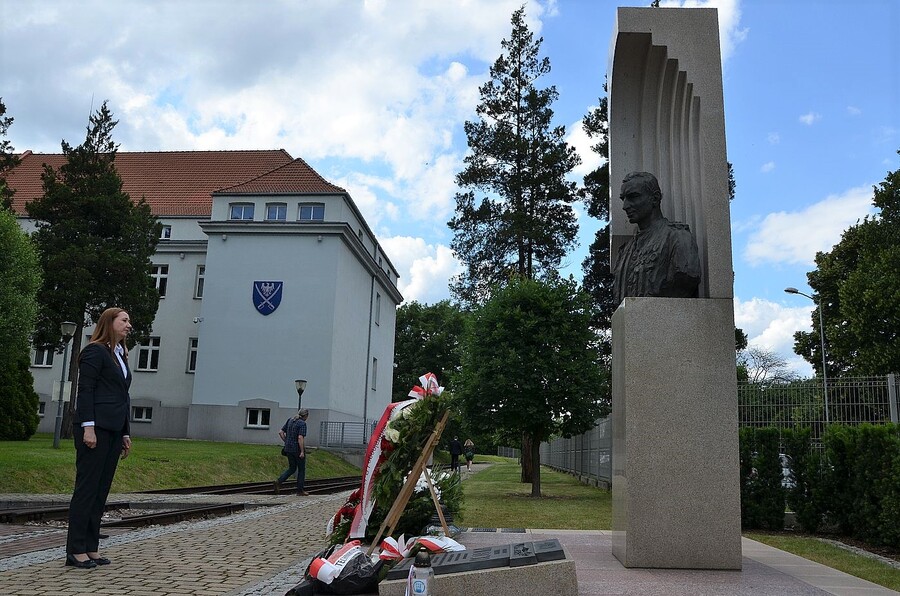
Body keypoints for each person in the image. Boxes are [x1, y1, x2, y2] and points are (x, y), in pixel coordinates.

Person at [65, 307, 133, 569]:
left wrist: (125, 431)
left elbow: (121, 396)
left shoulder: (118, 354)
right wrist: (88, 428)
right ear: (110, 322)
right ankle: (75, 550)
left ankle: (91, 547)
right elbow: (86, 391)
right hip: (95, 429)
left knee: (101, 491)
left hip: (114, 429)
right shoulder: (95, 351)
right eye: (124, 320)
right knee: (87, 489)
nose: (129, 325)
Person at [612, 171, 701, 305]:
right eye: (623, 199)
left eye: (633, 197)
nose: (625, 206)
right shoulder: (624, 252)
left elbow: (687, 276)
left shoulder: (678, 237)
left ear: (655, 198)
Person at [276, 408, 309, 495]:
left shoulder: (290, 420)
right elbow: (300, 437)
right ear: (306, 416)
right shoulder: (302, 424)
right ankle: (300, 491)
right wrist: (302, 451)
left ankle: (279, 481)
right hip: (297, 449)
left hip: (288, 449)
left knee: (292, 468)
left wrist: (286, 442)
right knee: (301, 469)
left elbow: (280, 432)